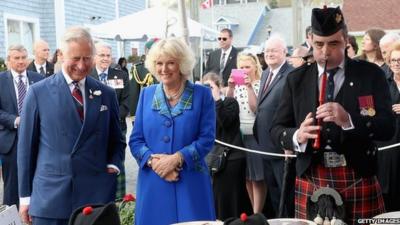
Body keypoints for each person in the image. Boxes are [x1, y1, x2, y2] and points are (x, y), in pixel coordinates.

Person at [270, 6, 395, 225]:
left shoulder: (370, 75)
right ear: (310, 40)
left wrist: (349, 121)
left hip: (358, 175)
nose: (325, 52)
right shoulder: (296, 80)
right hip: (312, 177)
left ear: (346, 40)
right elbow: (276, 130)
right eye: (319, 44)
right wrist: (296, 136)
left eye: (333, 43)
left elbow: (387, 127)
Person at [17, 27, 125, 225]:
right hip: (51, 199)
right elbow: (25, 149)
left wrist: (113, 165)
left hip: (95, 199)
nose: (82, 65)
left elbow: (117, 140)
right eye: (75, 58)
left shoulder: (106, 94)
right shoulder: (38, 92)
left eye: (87, 58)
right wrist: (25, 197)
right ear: (61, 54)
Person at [129, 37, 216, 225]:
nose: (164, 69)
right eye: (159, 63)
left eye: (171, 63)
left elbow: (207, 139)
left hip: (191, 183)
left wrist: (176, 159)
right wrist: (155, 163)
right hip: (153, 182)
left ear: (182, 65)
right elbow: (136, 140)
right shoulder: (146, 94)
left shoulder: (202, 95)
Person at [254, 35, 294, 217]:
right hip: (264, 144)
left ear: (284, 52)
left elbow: (294, 109)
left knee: (286, 196)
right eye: (267, 51)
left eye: (274, 50)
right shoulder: (265, 73)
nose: (269, 54)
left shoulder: (291, 75)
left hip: (281, 146)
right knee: (274, 194)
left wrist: (289, 142)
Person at [202, 72, 252, 220]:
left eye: (210, 87)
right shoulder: (203, 107)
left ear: (219, 87)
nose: (208, 90)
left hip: (232, 159)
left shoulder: (230, 102)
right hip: (213, 160)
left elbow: (225, 122)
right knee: (217, 199)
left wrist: (216, 98)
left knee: (233, 199)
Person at [0, 45, 43, 207]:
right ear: (8, 61)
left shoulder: (38, 78)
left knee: (37, 178)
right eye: (16, 58)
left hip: (37, 138)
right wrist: (15, 120)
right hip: (11, 141)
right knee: (12, 186)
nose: (20, 61)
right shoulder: (1, 80)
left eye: (23, 57)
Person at [90, 42, 130, 201]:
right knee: (97, 166)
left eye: (108, 55)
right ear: (94, 56)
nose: (105, 58)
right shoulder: (87, 75)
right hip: (93, 130)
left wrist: (110, 119)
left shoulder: (121, 75)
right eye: (101, 55)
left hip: (117, 128)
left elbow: (126, 102)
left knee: (116, 165)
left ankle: (119, 202)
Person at [226, 52, 262, 213]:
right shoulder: (237, 87)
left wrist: (248, 87)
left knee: (257, 177)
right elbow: (228, 106)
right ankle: (254, 210)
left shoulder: (260, 84)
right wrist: (231, 87)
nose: (245, 70)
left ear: (255, 67)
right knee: (247, 177)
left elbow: (255, 109)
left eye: (247, 67)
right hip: (240, 136)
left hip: (255, 135)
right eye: (241, 67)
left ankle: (257, 213)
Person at [376, 41, 400, 212]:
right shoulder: (382, 83)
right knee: (387, 193)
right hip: (387, 147)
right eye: (394, 60)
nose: (397, 64)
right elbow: (366, 111)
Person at [128, 38, 159, 117]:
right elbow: (134, 95)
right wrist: (135, 117)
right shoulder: (139, 69)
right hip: (147, 111)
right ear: (147, 52)